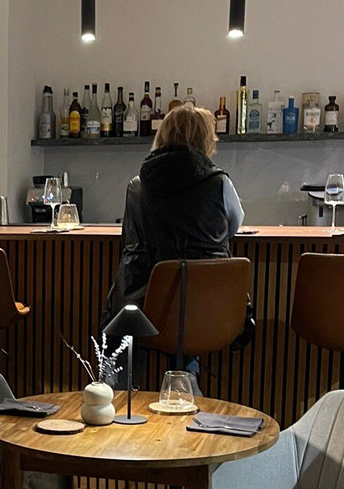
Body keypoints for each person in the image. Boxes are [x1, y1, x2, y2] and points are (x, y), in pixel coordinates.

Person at [101, 105, 244, 330]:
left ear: (162, 135)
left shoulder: (137, 187)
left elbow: (129, 238)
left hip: (144, 313)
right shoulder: (219, 184)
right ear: (206, 140)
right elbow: (233, 226)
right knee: (198, 327)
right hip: (209, 312)